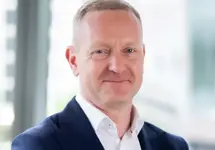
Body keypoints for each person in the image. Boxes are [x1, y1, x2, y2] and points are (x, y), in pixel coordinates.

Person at [12, 0, 189, 150]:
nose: (117, 67)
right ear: (74, 61)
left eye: (129, 50)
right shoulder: (37, 145)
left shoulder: (173, 146)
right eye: (101, 51)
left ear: (142, 55)